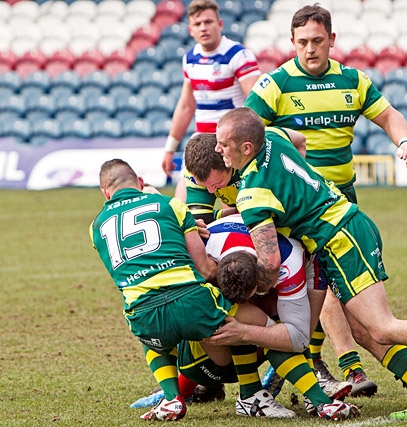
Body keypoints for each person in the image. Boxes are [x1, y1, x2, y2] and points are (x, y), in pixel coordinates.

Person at [211, 107, 407, 420]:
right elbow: (300, 141)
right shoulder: (272, 135)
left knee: (382, 326)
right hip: (345, 226)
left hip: (340, 239)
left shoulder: (252, 192)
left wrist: (254, 291)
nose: (218, 149)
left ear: (247, 147)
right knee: (363, 331)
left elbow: (271, 262)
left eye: (223, 143)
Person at [243, 3, 407, 398]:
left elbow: (389, 115)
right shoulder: (275, 85)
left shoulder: (353, 81)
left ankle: (315, 364)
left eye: (317, 41)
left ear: (331, 40)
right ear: (291, 42)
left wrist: (404, 140)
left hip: (343, 201)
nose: (310, 49)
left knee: (336, 290)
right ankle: (347, 366)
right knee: (319, 283)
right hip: (297, 209)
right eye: (302, 42)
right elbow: (243, 131)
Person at [89, 159, 355, 421]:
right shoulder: (171, 205)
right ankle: (310, 401)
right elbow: (204, 268)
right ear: (140, 182)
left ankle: (171, 399)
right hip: (191, 302)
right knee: (257, 324)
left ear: (105, 193)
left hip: (141, 311)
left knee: (153, 340)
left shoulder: (95, 227)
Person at [160, 0, 261, 205]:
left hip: (230, 145)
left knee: (232, 211)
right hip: (201, 143)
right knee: (183, 210)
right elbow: (186, 106)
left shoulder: (239, 55)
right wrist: (170, 148)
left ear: (220, 24)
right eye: (197, 24)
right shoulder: (190, 58)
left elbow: (256, 102)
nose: (203, 27)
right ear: (190, 30)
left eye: (208, 21)